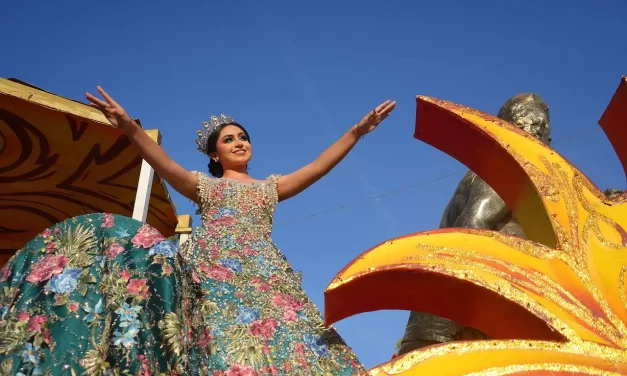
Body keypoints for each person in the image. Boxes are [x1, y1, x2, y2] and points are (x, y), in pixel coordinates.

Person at [83, 86, 396, 375]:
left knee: (288, 344)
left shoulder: (270, 188)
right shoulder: (204, 186)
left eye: (243, 137)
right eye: (228, 139)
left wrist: (357, 132)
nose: (239, 142)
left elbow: (316, 167)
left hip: (263, 277)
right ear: (215, 156)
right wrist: (128, 125)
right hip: (210, 275)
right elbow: (163, 163)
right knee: (213, 342)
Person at [397, 93, 551, 356]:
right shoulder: (507, 169)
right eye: (535, 125)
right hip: (465, 320)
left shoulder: (490, 172)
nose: (541, 134)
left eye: (543, 127)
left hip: (451, 316)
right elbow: (473, 229)